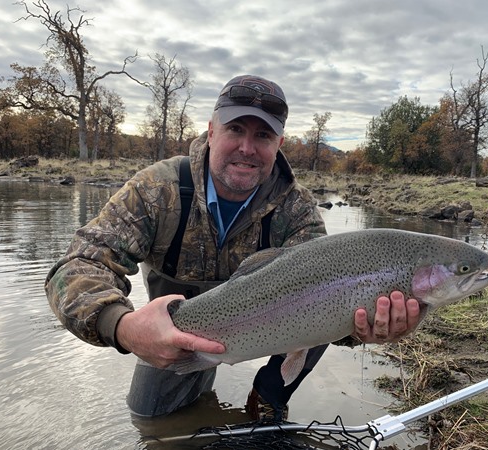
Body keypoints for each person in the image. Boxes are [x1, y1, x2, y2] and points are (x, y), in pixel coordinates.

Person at [45, 74, 421, 422]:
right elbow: (77, 266)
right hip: (177, 335)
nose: (247, 147)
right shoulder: (157, 190)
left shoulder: (297, 210)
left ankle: (267, 401)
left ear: (279, 144)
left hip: (281, 329)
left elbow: (334, 301)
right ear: (211, 131)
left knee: (326, 291)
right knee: (150, 419)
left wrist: (365, 327)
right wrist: (123, 327)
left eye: (263, 136)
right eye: (235, 129)